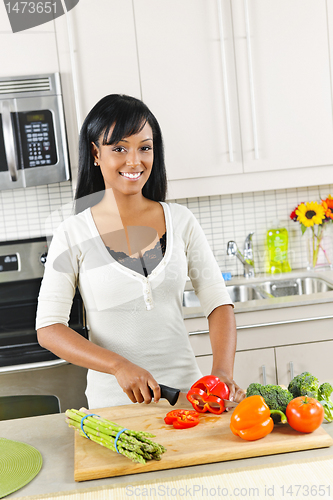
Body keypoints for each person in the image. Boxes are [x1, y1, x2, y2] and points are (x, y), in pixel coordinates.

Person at [36, 94, 245, 409]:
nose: (134, 161)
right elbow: (49, 328)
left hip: (189, 398)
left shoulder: (182, 221)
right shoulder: (73, 233)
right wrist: (118, 365)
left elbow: (218, 303)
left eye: (144, 148)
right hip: (113, 406)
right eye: (119, 148)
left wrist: (221, 373)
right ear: (96, 153)